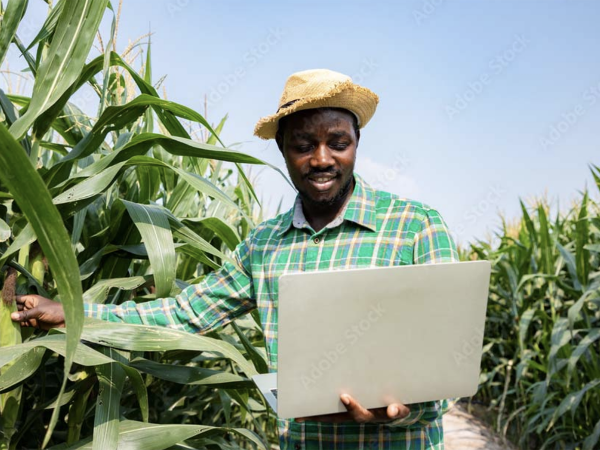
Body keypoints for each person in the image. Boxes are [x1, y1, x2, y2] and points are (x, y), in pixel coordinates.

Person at [12, 69, 458, 449]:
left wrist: (401, 410)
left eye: (337, 143)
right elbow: (181, 315)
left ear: (357, 144)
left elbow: (450, 354)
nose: (322, 159)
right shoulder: (263, 245)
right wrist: (73, 313)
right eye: (304, 144)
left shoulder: (415, 227)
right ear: (283, 149)